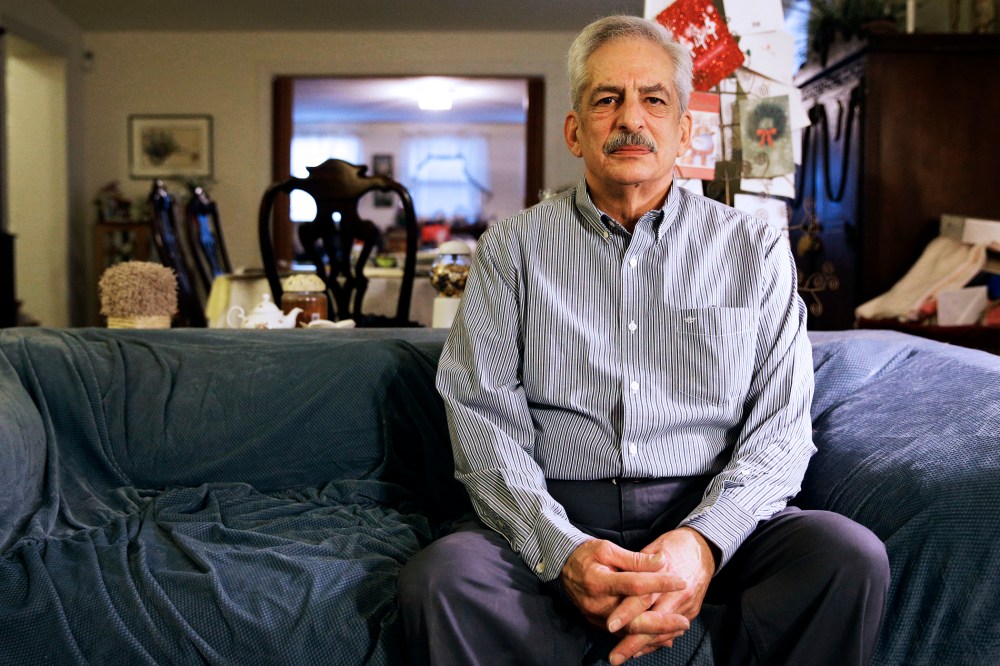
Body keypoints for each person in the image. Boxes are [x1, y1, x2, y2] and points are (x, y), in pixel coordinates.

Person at [398, 14, 889, 666]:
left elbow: (782, 430)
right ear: (575, 130)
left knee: (847, 558)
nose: (631, 118)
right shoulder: (511, 249)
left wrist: (702, 544)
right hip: (557, 505)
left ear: (684, 131)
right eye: (607, 99)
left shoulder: (754, 250)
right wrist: (563, 550)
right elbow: (481, 419)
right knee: (442, 580)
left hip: (707, 504)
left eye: (654, 99)